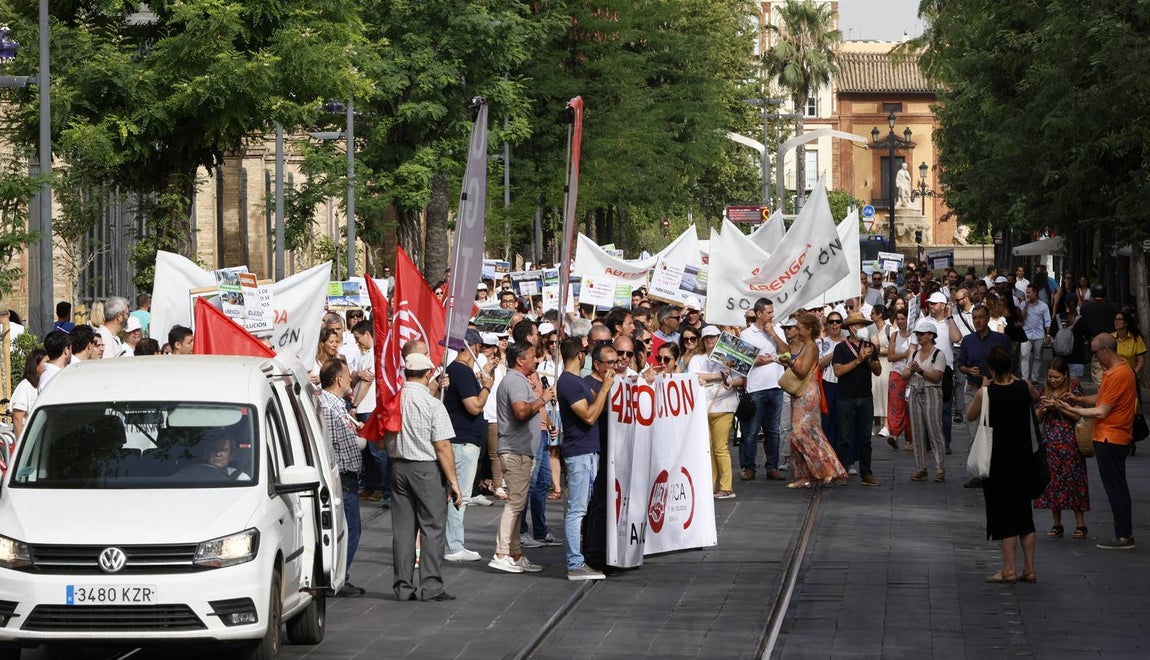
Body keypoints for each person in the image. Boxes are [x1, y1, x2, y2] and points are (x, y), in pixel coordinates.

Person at [387, 352, 463, 601]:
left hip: (398, 465)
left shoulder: (393, 400)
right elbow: (442, 446)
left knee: (403, 528)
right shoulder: (432, 404)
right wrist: (453, 482)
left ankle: (403, 586)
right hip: (425, 467)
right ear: (429, 373)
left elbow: (380, 438)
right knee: (432, 526)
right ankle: (430, 586)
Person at [1054, 333, 1138, 550]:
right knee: (1116, 486)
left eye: (1095, 352)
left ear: (1106, 350)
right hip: (1112, 436)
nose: (1094, 357)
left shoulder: (1118, 374)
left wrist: (1072, 409)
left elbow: (1101, 411)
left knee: (1116, 488)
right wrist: (1078, 399)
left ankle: (1124, 536)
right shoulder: (1119, 371)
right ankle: (1124, 534)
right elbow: (1103, 398)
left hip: (1111, 436)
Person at [966, 345, 1039, 583]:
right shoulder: (1024, 386)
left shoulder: (985, 393)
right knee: (1024, 515)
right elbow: (1037, 398)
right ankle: (1029, 568)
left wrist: (986, 387)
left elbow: (970, 415)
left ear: (990, 369)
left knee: (1005, 515)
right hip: (1024, 458)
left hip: (998, 461)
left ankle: (1008, 569)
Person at [490, 343, 555, 574]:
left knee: (518, 504)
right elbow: (520, 412)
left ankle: (515, 554)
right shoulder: (516, 381)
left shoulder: (517, 381)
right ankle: (501, 553)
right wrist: (542, 399)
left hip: (520, 450)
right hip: (515, 451)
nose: (536, 361)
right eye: (532, 357)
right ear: (520, 360)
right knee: (515, 503)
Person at [556, 337, 614, 580]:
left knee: (584, 507)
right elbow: (589, 416)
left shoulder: (576, 382)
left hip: (588, 452)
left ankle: (581, 561)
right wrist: (605, 389)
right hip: (579, 453)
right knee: (577, 510)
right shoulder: (569, 383)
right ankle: (575, 563)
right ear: (581, 355)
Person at [316, 358, 368, 597]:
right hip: (340, 477)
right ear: (339, 379)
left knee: (346, 527)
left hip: (345, 476)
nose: (351, 380)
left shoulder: (334, 403)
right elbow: (340, 441)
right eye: (348, 376)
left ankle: (337, 575)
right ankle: (339, 576)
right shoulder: (328, 406)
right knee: (349, 528)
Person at [443, 329, 495, 563]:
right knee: (459, 496)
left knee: (457, 495)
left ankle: (452, 542)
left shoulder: (460, 372)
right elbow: (474, 406)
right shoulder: (460, 371)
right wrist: (486, 387)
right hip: (463, 443)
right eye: (480, 348)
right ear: (473, 347)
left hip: (461, 441)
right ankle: (454, 545)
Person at [778, 313, 847, 489]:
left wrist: (790, 363)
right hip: (801, 394)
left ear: (808, 330)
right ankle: (805, 474)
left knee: (802, 433)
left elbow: (801, 372)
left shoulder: (810, 347)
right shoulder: (805, 346)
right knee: (801, 434)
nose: (796, 328)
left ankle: (829, 468)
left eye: (799, 326)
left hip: (807, 393)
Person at [1034, 357, 1090, 540]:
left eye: (1057, 377)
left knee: (1074, 480)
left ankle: (1080, 524)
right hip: (1050, 442)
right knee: (1052, 483)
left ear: (1065, 375)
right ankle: (1056, 524)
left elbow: (1078, 415)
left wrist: (1059, 406)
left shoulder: (1073, 389)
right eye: (1050, 377)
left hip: (1069, 441)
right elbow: (1038, 419)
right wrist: (1042, 408)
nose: (1053, 380)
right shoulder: (1046, 390)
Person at [738, 298, 787, 482]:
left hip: (776, 386)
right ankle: (749, 467)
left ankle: (772, 467)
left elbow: (787, 352)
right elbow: (751, 360)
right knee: (751, 431)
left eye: (772, 312)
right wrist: (774, 358)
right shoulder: (746, 334)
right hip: (756, 388)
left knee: (773, 431)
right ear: (759, 314)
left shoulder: (778, 330)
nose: (772, 315)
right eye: (768, 312)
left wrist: (773, 335)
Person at [689, 325, 740, 499]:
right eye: (707, 338)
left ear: (719, 339)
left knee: (720, 447)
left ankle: (726, 487)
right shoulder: (697, 358)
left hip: (724, 406)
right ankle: (710, 485)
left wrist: (731, 382)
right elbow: (693, 375)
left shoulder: (730, 357)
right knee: (708, 449)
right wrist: (717, 376)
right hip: (703, 407)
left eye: (714, 337)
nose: (710, 340)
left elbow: (741, 378)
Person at [832, 312, 881, 486]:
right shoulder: (841, 348)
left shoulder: (869, 346)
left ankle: (866, 472)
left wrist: (868, 359)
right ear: (851, 328)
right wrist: (858, 360)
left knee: (865, 438)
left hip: (865, 397)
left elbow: (878, 370)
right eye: (857, 325)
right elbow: (838, 371)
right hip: (846, 397)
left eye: (862, 325)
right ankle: (842, 471)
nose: (860, 328)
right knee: (844, 436)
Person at [906, 319, 948, 482]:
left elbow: (937, 377)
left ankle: (940, 467)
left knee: (934, 429)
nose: (919, 336)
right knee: (917, 431)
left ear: (931, 335)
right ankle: (921, 467)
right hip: (916, 391)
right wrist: (910, 372)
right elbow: (905, 374)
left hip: (931, 392)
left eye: (922, 334)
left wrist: (919, 370)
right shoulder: (914, 353)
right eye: (917, 334)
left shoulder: (938, 354)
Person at [885, 308, 914, 451]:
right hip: (897, 373)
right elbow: (890, 356)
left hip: (912, 374)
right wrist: (904, 354)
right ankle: (894, 434)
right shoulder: (895, 336)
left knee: (910, 408)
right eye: (899, 319)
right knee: (895, 405)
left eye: (903, 319)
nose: (901, 322)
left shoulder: (915, 336)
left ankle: (910, 439)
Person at [9, 349, 47, 439]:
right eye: (45, 363)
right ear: (36, 366)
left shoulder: (42, 385)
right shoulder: (24, 387)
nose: (48, 366)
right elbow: (17, 419)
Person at [1019, 284, 1052, 382]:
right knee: (1024, 355)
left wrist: (1048, 335)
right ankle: (1025, 378)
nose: (1027, 295)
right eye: (1026, 293)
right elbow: (1022, 318)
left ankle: (1034, 378)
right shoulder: (1023, 304)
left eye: (1029, 293)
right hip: (1025, 334)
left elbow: (1047, 321)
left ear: (1035, 293)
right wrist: (1025, 305)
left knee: (1037, 356)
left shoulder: (1043, 306)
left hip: (1038, 335)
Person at [868, 305, 891, 436]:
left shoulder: (889, 329)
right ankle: (876, 424)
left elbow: (892, 348)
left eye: (873, 313)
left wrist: (878, 352)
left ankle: (886, 424)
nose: (871, 316)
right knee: (874, 392)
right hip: (874, 364)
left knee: (884, 393)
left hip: (885, 364)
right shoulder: (871, 329)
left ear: (880, 314)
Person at [1112, 306, 1146, 376]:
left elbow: (1141, 361)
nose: (1116, 321)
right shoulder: (1110, 337)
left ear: (1126, 323)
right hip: (1113, 375)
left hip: (1130, 374)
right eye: (1115, 319)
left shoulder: (1136, 339)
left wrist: (1133, 374)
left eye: (1120, 319)